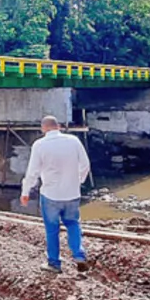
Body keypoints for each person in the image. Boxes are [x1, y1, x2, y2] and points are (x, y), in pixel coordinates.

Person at [20, 115, 91, 274]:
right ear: (58, 126)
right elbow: (85, 165)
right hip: (72, 193)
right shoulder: (73, 141)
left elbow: (33, 172)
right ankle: (79, 255)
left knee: (52, 229)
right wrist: (78, 180)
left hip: (50, 195)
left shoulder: (39, 145)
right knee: (73, 224)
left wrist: (26, 192)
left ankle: (54, 263)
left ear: (43, 128)